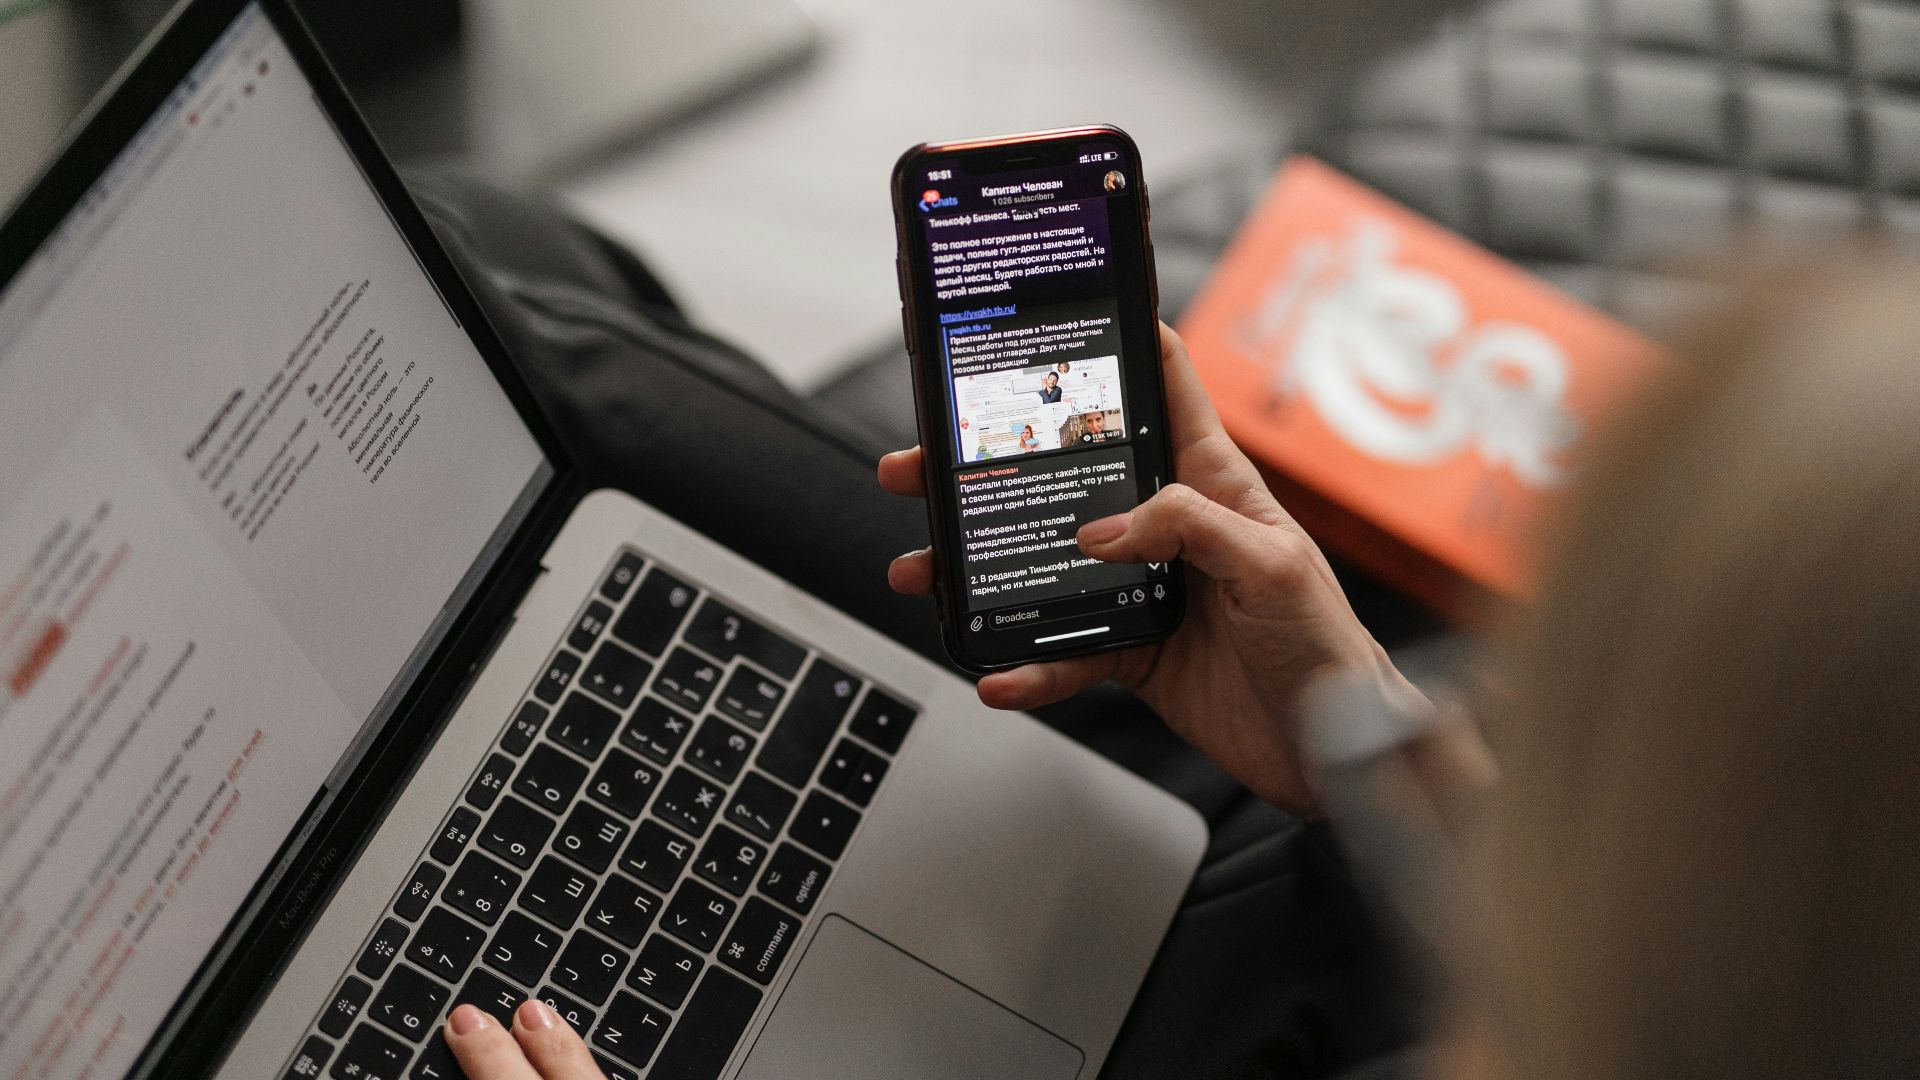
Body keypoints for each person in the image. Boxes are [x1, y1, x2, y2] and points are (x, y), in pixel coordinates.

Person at [441, 257, 1920, 1078]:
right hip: (1274, 879)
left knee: (499, 290)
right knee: (517, 277)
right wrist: (1378, 749)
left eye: (1568, 729)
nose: (1495, 707)